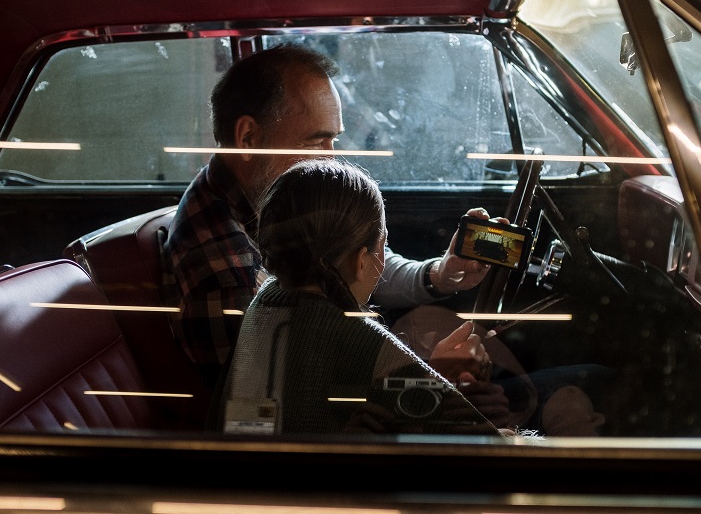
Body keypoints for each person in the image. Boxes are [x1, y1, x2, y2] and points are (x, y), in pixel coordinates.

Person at [165, 44, 493, 389]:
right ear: (249, 137)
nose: (331, 161)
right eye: (315, 142)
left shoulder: (268, 199)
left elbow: (355, 264)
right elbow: (273, 404)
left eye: (333, 141)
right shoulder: (224, 269)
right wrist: (428, 381)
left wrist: (440, 274)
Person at [218, 158, 504, 436]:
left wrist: (440, 275)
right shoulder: (366, 345)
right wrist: (435, 378)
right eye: (384, 244)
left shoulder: (262, 306)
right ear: (360, 261)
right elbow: (491, 449)